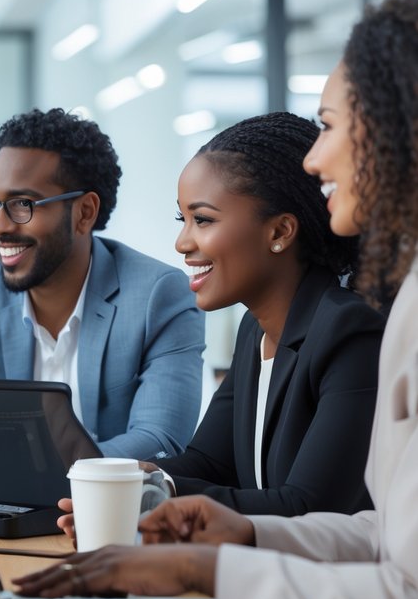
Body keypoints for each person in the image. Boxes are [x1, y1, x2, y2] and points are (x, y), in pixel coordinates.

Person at [15, 0, 418, 599]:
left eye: (331, 126)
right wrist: (179, 505)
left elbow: (327, 514)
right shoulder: (265, 331)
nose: (315, 162)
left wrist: (206, 565)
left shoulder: (355, 327)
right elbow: (386, 538)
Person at [0, 108, 205, 479]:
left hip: (103, 516)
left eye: (23, 204)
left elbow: (160, 436)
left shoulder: (158, 294)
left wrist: (41, 476)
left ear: (84, 213)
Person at [155, 111, 382, 515]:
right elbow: (211, 464)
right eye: (183, 219)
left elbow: (306, 507)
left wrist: (155, 494)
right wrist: (127, 478)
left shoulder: (350, 332)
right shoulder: (254, 330)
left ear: (279, 232)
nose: (182, 242)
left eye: (202, 220)